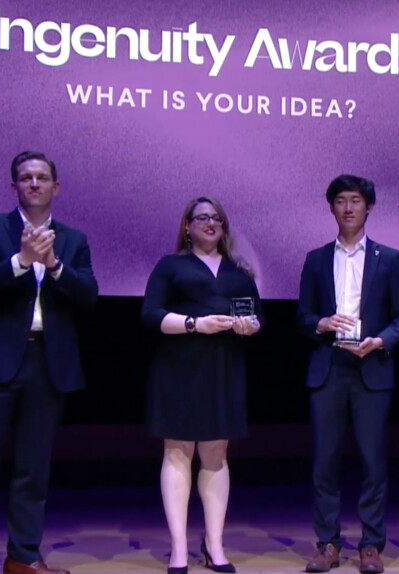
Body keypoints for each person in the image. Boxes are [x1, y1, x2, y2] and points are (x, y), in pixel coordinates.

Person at [0, 151, 98, 574]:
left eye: (42, 177)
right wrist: (21, 261)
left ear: (56, 187)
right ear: (13, 186)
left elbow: (87, 295)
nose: (34, 183)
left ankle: (23, 556)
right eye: (25, 177)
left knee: (34, 468)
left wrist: (53, 265)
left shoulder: (73, 239)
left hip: (47, 363)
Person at [297, 174, 399, 574]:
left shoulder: (390, 259)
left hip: (371, 368)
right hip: (328, 368)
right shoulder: (315, 259)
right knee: (324, 462)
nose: (348, 207)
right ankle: (327, 543)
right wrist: (321, 323)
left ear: (369, 207)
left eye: (356, 200)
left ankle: (370, 545)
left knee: (372, 462)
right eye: (341, 201)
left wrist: (380, 342)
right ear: (331, 208)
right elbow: (302, 317)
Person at [142, 197, 262, 574]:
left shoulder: (239, 271)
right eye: (203, 218)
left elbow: (256, 316)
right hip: (179, 368)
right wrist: (195, 324)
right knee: (178, 452)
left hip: (223, 368)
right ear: (187, 226)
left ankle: (215, 545)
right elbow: (150, 315)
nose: (211, 223)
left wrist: (249, 326)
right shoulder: (171, 265)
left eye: (218, 219)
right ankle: (179, 549)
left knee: (216, 454)